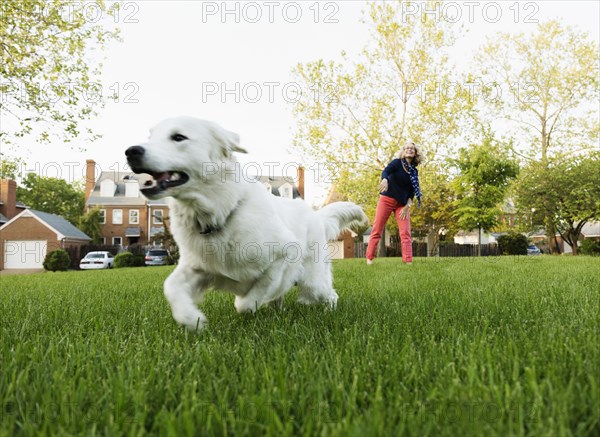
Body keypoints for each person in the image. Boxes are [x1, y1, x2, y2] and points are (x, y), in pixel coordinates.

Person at [366, 141, 422, 265]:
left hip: (402, 205)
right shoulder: (397, 163)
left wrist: (407, 206)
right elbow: (385, 171)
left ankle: (408, 261)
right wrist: (385, 179)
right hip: (387, 200)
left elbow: (412, 192)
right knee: (377, 229)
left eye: (412, 148)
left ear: (415, 153)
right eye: (407, 148)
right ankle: (369, 258)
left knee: (405, 232)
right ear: (403, 151)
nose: (409, 150)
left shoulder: (414, 172)